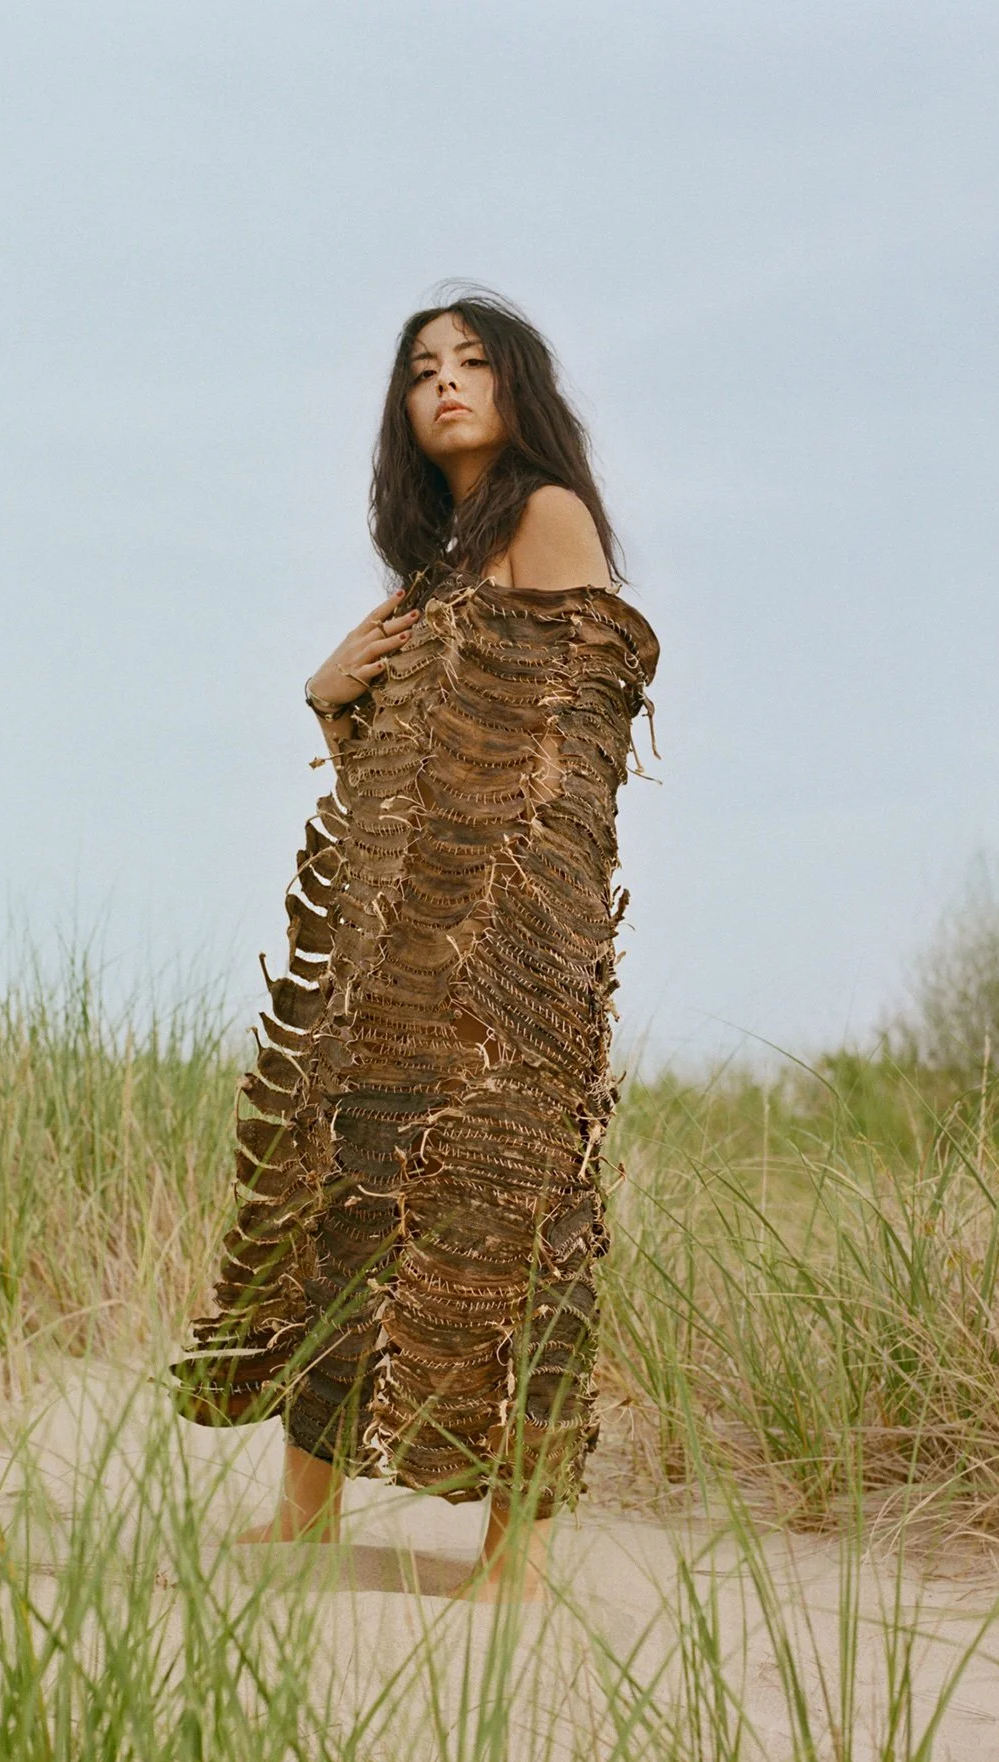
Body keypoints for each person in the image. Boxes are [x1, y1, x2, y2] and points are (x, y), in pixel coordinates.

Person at [175, 289, 659, 1602]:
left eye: (473, 362)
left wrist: (525, 961)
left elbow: (570, 754)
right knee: (345, 1210)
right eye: (420, 370)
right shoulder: (438, 570)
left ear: (521, 388)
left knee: (511, 1231)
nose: (445, 384)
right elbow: (399, 780)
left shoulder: (548, 517)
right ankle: (306, 1513)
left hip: (508, 961)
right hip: (397, 957)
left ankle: (515, 1558)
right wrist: (331, 698)